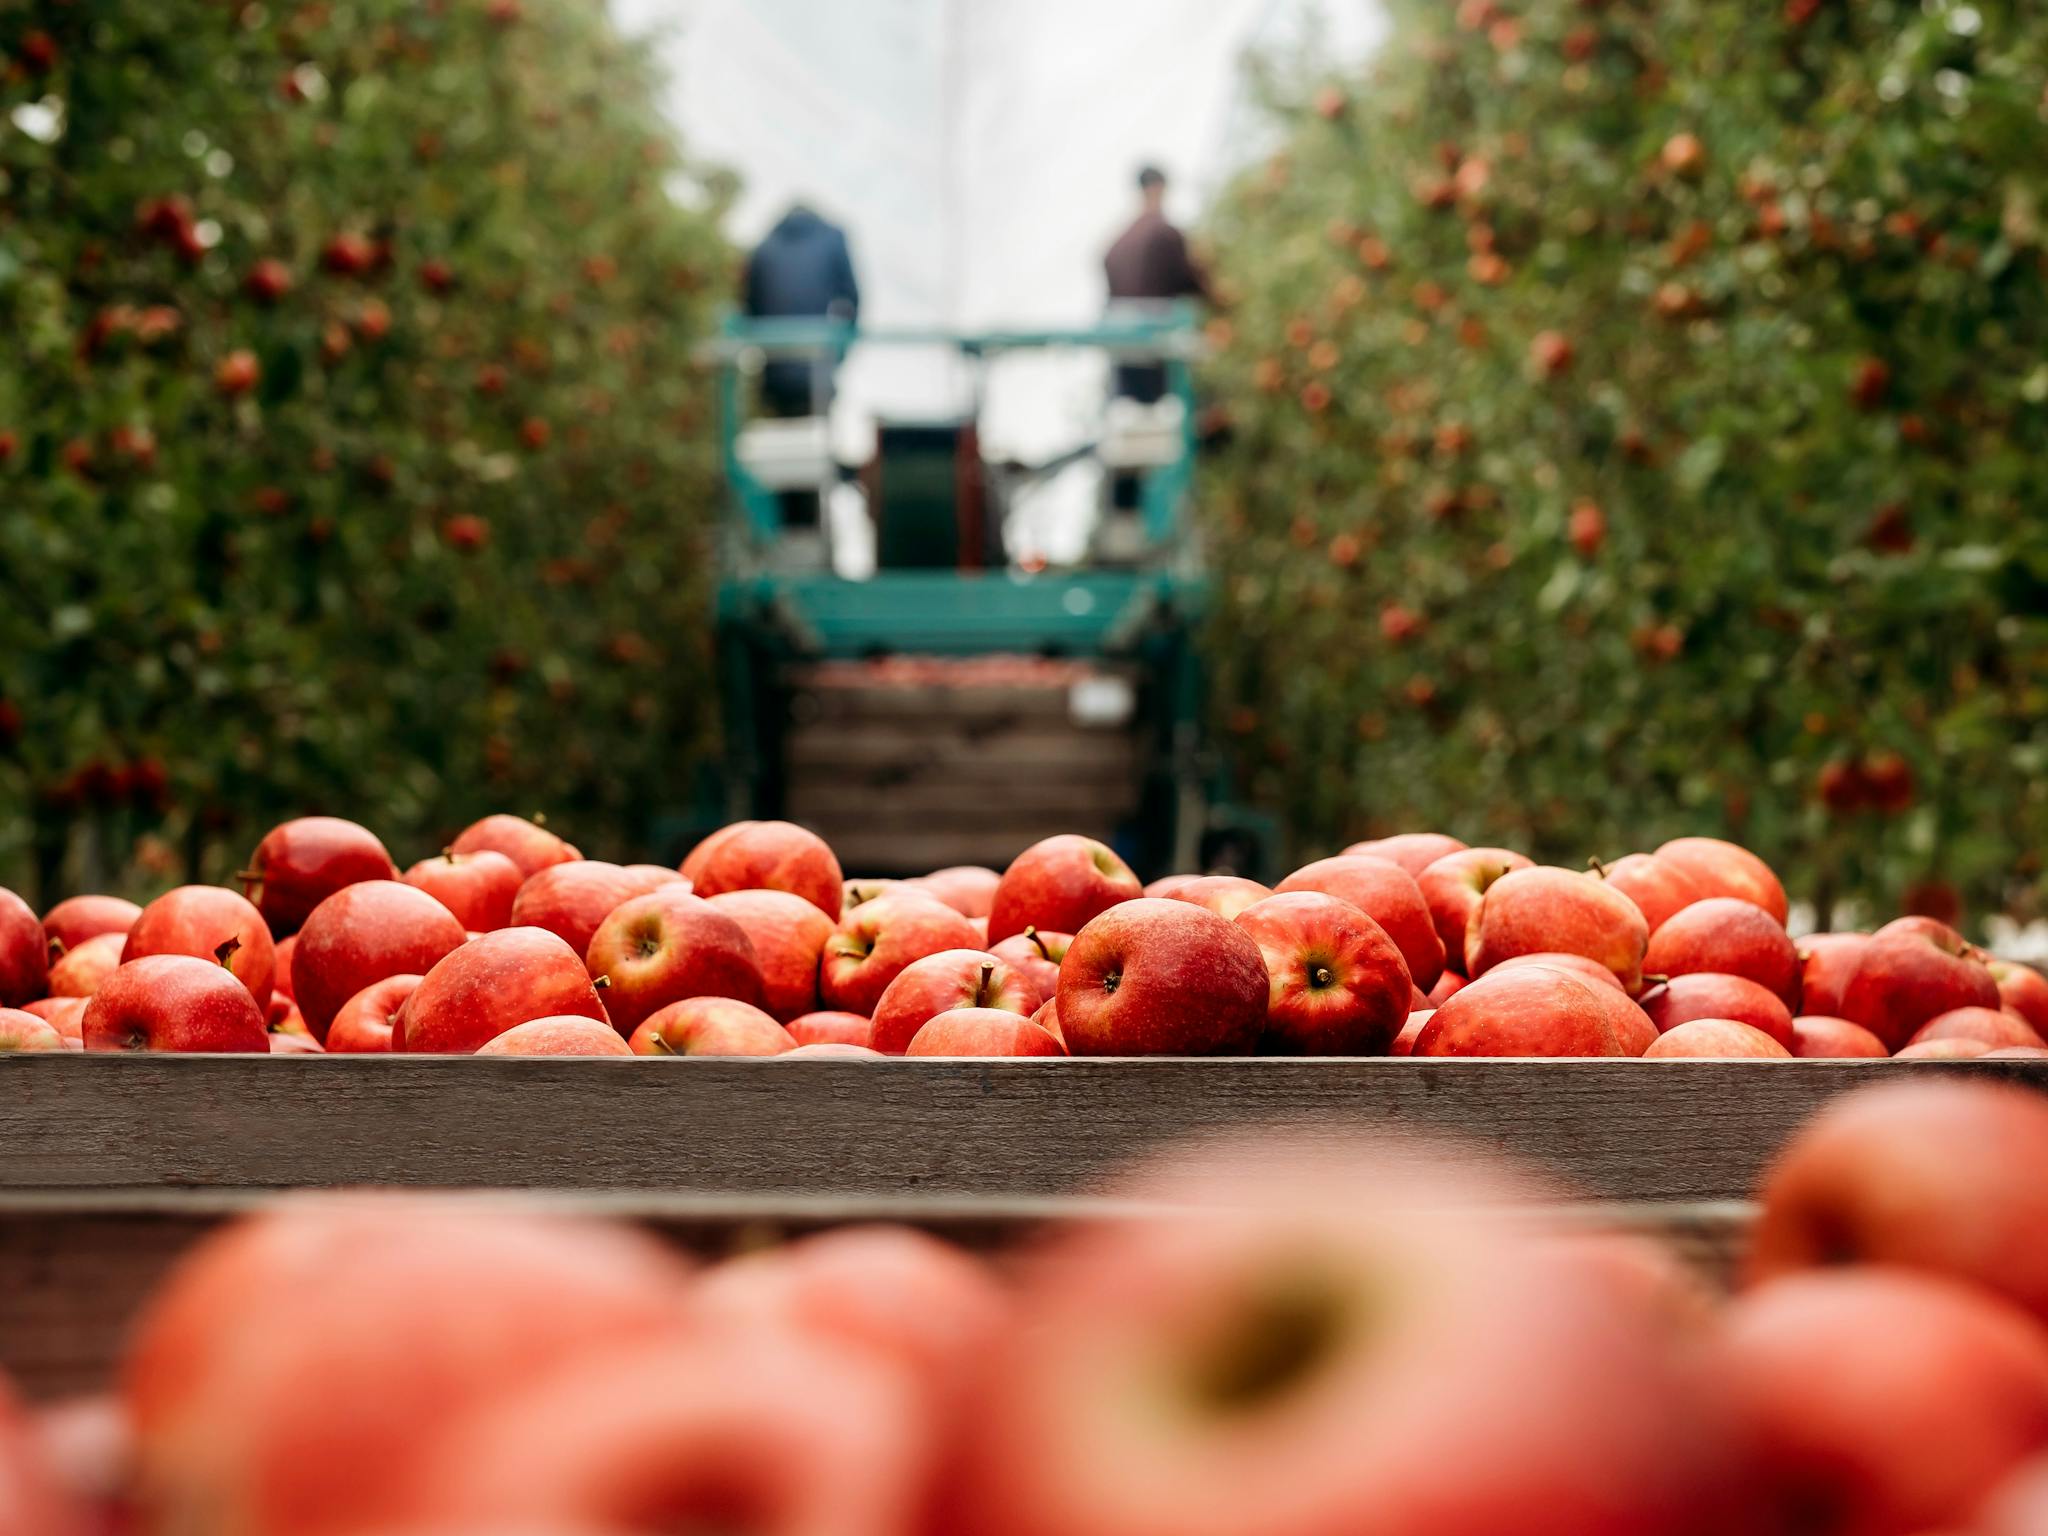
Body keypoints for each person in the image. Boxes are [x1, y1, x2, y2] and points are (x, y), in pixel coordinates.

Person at [1102, 165, 1211, 405]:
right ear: (1158, 189)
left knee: (1134, 413)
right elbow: (1193, 282)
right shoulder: (1165, 234)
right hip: (1159, 348)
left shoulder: (1115, 245)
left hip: (1125, 351)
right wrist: (1223, 301)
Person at [743, 202, 860, 418]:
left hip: (774, 378)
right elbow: (852, 299)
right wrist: (839, 352)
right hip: (817, 372)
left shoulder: (763, 247)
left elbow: (750, 309)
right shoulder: (833, 239)